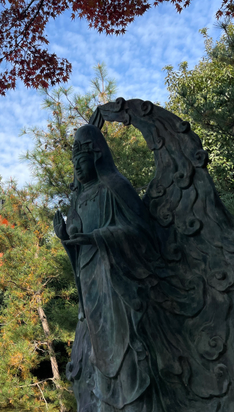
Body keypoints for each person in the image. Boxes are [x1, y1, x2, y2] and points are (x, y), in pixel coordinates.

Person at [54, 123, 162, 411]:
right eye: (74, 162)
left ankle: (134, 402)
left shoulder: (114, 187)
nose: (77, 167)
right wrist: (66, 239)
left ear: (97, 157)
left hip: (116, 280)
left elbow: (142, 233)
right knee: (91, 353)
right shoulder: (78, 199)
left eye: (82, 159)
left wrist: (98, 237)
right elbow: (78, 248)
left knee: (124, 346)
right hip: (89, 281)